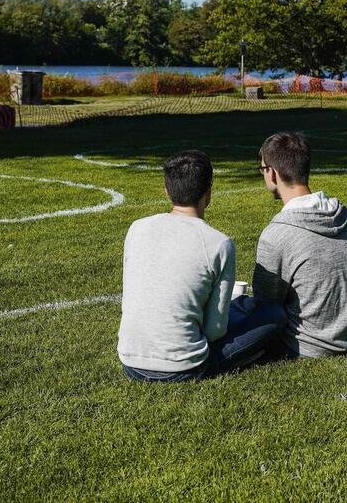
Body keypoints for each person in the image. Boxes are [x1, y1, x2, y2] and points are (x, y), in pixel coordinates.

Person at [118, 150, 285, 382]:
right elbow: (215, 331)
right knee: (273, 314)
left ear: (167, 191)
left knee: (241, 307)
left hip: (130, 361)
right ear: (208, 192)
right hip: (185, 366)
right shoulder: (218, 243)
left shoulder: (137, 227)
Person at [253, 132, 347, 358]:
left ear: (272, 173)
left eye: (262, 169)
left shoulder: (277, 234)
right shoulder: (343, 214)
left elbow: (265, 304)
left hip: (306, 346)